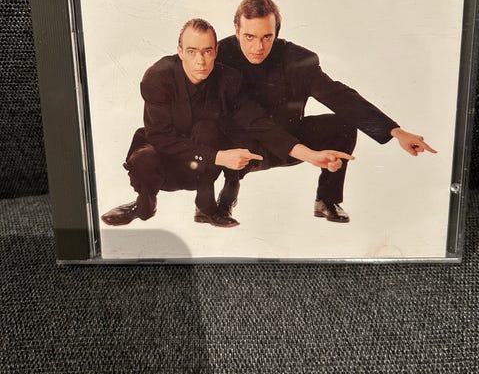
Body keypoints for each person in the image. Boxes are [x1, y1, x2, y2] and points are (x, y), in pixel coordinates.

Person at [101, 18, 354, 228]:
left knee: (211, 130)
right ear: (180, 52)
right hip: (168, 155)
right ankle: (142, 204)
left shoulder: (229, 80)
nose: (200, 61)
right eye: (192, 51)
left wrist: (311, 155)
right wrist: (219, 157)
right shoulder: (158, 77)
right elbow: (160, 137)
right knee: (144, 160)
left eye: (207, 51)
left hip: (206, 157)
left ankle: (207, 208)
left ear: (216, 51)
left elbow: (257, 123)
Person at [216, 0, 437, 223]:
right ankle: (224, 198)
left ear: (277, 32)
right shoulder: (217, 56)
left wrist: (396, 131)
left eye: (267, 37)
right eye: (249, 37)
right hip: (244, 146)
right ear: (237, 30)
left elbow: (338, 96)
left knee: (343, 126)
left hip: (290, 140)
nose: (258, 47)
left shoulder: (297, 59)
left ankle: (327, 200)